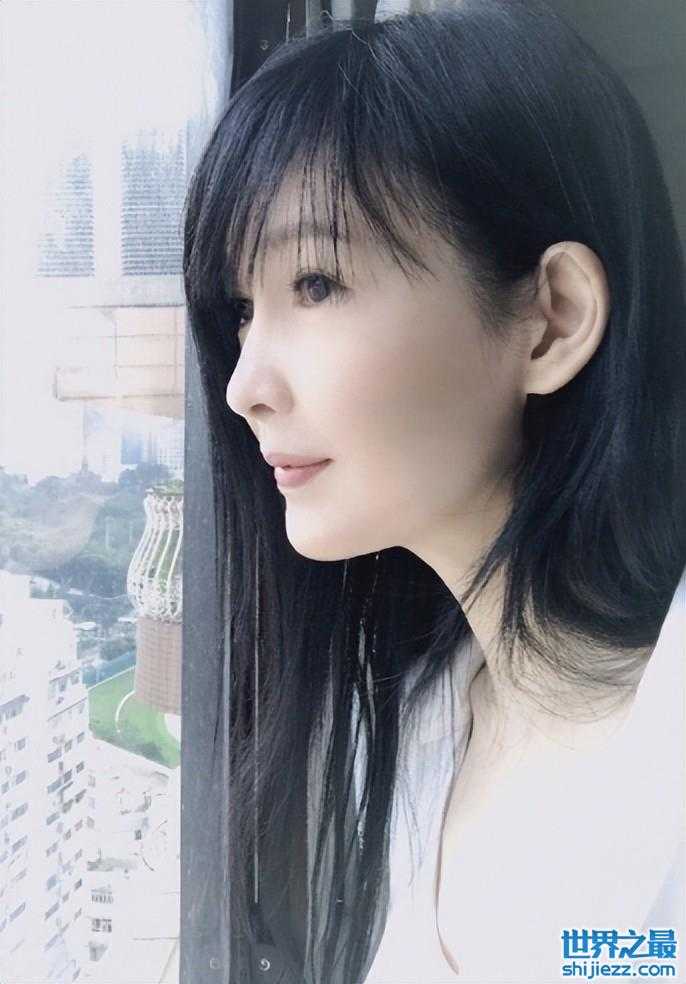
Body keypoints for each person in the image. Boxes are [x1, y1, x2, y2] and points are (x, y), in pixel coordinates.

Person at [181, 1, 686, 981]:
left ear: (552, 319)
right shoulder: (421, 722)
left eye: (315, 284)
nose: (243, 385)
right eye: (242, 309)